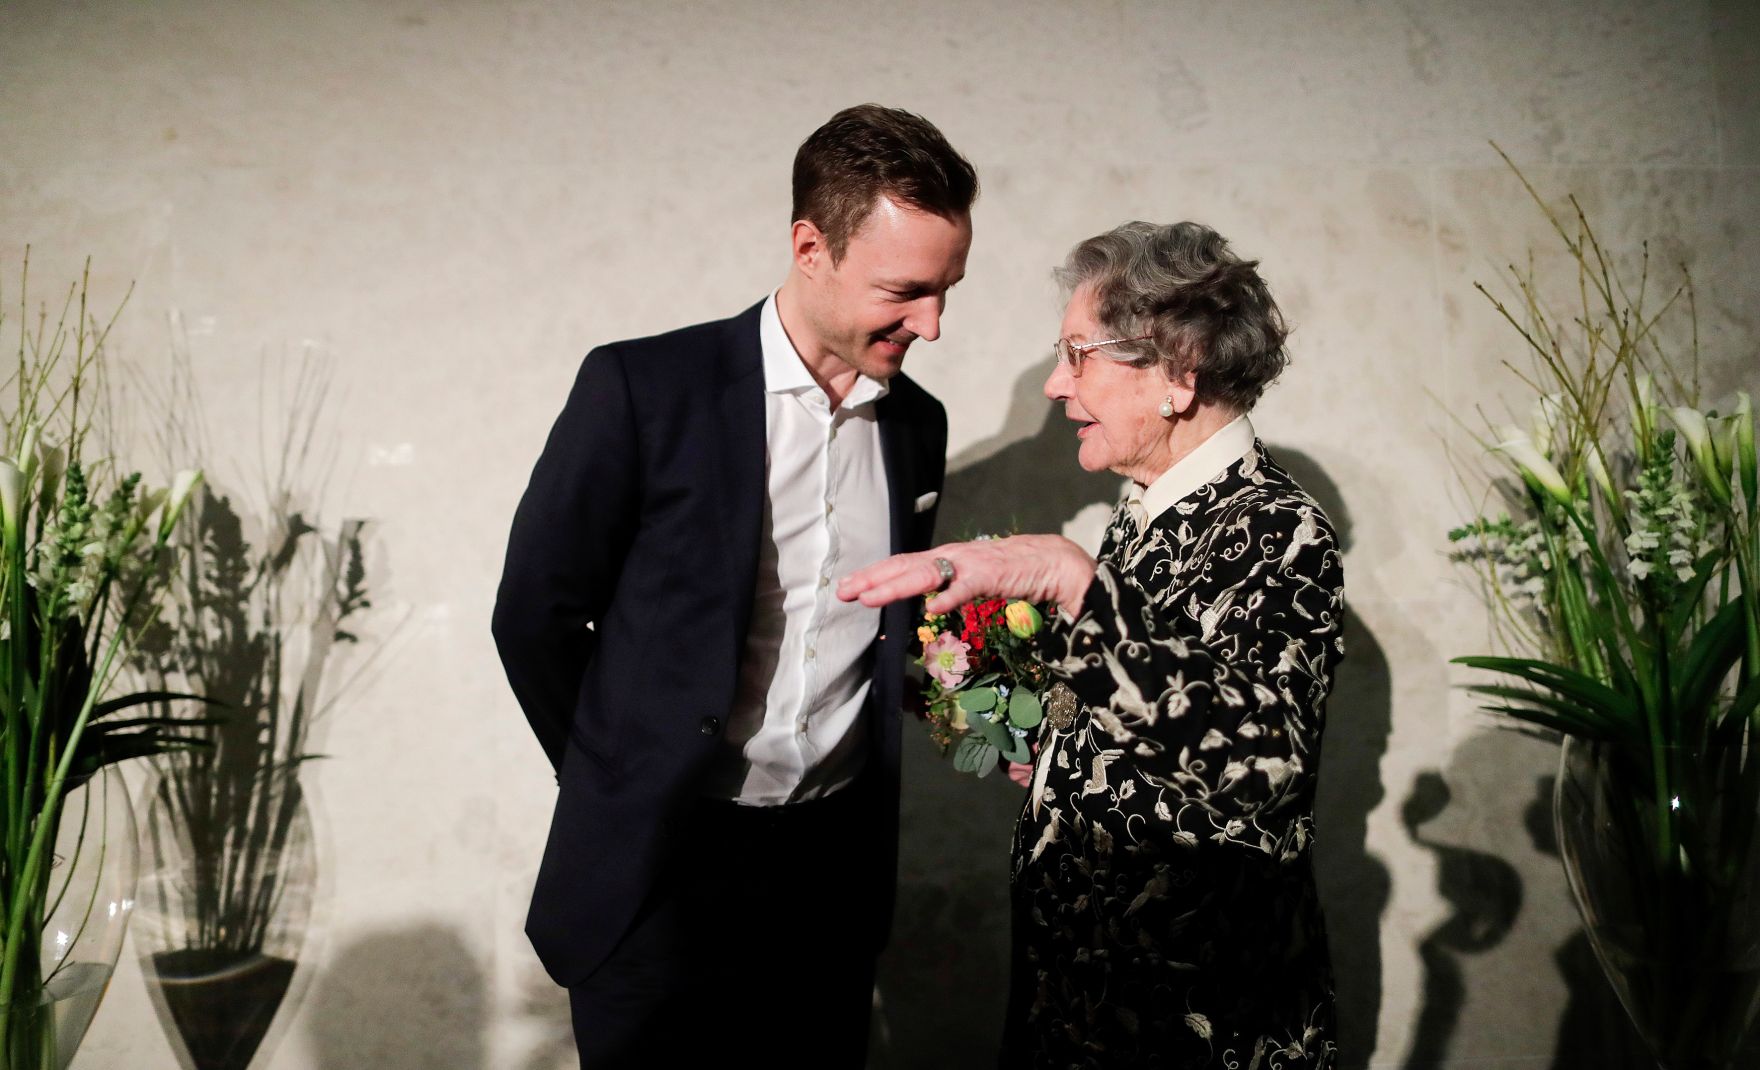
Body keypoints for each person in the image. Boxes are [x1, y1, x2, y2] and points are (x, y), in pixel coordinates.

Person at [492, 104, 976, 1068]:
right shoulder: (641, 387)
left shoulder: (920, 424)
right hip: (663, 867)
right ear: (811, 246)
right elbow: (533, 615)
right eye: (906, 290)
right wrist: (617, 769)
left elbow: (888, 637)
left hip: (830, 882)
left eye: (949, 289)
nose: (933, 323)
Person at [840, 221, 1344, 1068]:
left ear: (1178, 374)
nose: (1055, 385)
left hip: (1201, 1023)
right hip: (1080, 1008)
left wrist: (1075, 583)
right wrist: (1035, 732)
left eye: (1079, 356)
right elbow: (1152, 716)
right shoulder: (1145, 508)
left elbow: (1267, 766)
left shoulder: (1281, 529)